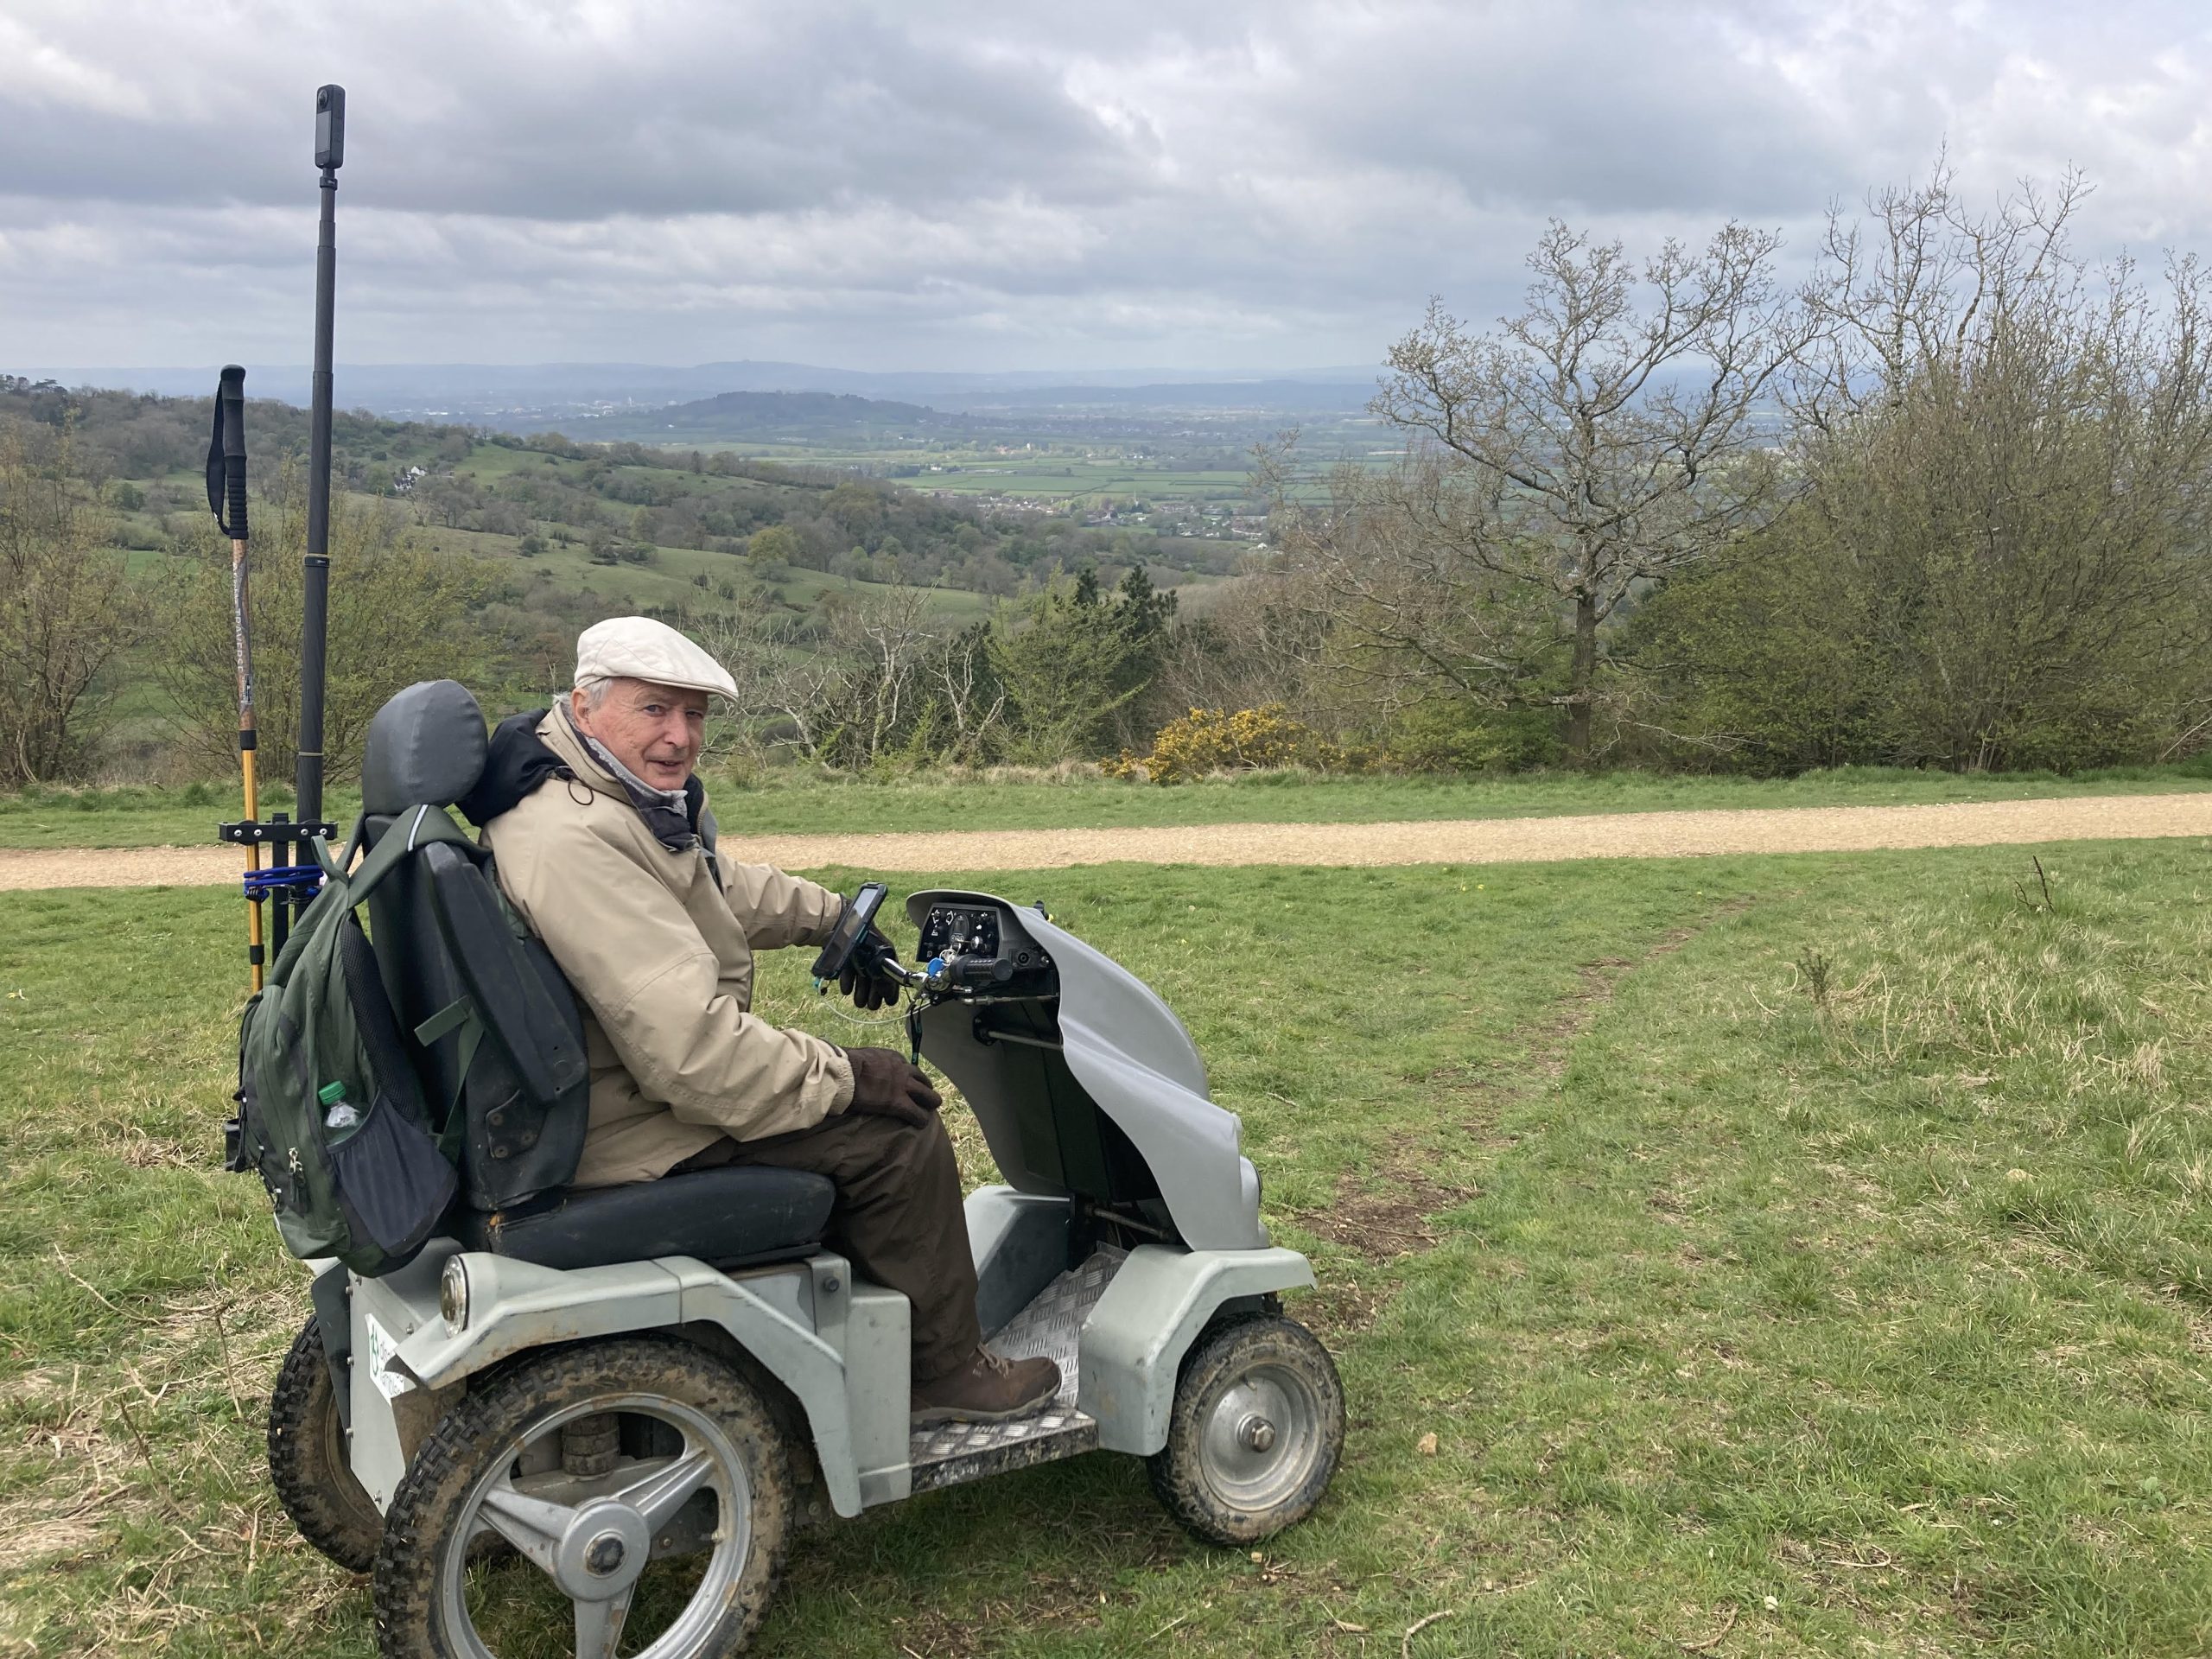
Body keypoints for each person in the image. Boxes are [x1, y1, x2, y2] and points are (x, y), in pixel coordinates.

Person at [468, 615, 1058, 1424]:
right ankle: (945, 1374)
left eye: (696, 714)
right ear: (587, 702)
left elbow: (706, 884)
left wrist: (834, 920)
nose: (681, 737)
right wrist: (850, 1076)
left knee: (847, 1102)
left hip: (587, 1099)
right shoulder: (577, 837)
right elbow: (695, 1056)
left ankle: (866, 1333)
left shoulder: (588, 788)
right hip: (628, 1127)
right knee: (899, 1132)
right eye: (656, 711)